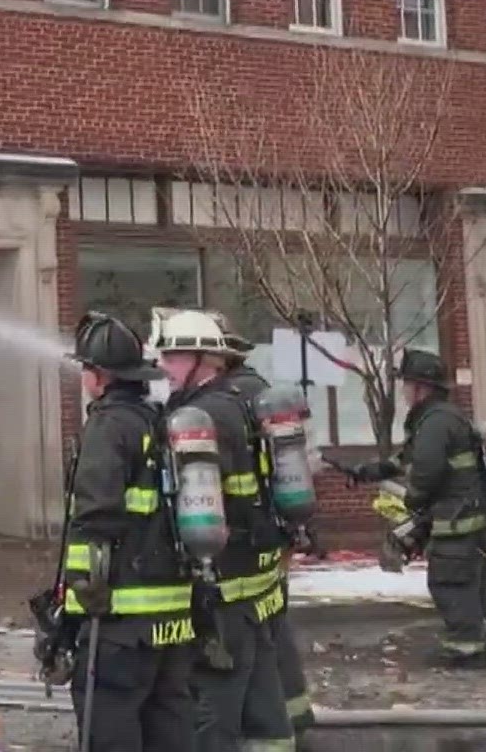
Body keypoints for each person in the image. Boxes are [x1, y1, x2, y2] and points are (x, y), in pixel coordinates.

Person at [152, 309, 292, 752]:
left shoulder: (200, 418)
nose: (162, 365)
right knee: (264, 706)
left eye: (172, 356)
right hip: (255, 583)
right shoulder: (239, 403)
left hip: (222, 588)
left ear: (201, 359)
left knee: (212, 707)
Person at [61, 312, 197, 751]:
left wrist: (80, 588)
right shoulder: (160, 421)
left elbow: (96, 516)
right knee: (168, 726)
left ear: (100, 375)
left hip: (121, 618)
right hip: (172, 618)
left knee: (109, 724)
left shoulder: (108, 425)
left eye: (86, 368)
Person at [336, 349, 486, 667]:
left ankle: (465, 653)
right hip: (476, 524)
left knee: (451, 586)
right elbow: (406, 459)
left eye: (407, 385)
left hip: (457, 527)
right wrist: (367, 472)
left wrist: (413, 505)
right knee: (478, 587)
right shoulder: (443, 417)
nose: (403, 392)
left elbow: (426, 472)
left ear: (421, 388)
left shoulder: (435, 422)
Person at [217, 329, 316, 738]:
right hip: (277, 532)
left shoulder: (226, 402)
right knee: (274, 623)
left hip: (248, 538)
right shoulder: (261, 392)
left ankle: (266, 725)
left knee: (255, 638)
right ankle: (295, 714)